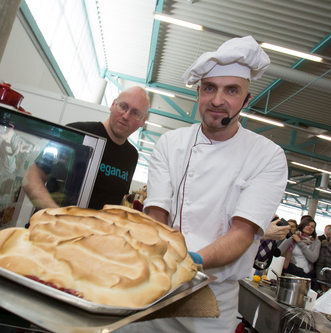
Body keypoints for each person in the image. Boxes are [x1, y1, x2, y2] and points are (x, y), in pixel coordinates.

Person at [119, 36, 288, 333]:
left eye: (231, 90)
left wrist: (192, 261)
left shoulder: (267, 156)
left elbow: (242, 232)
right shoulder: (171, 143)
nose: (218, 100)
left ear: (247, 100)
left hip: (212, 303)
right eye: (210, 88)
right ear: (198, 92)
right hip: (155, 286)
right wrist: (166, 262)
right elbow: (157, 213)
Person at [23, 86, 150, 210]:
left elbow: (116, 200)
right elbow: (32, 177)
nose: (126, 116)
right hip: (52, 227)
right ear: (112, 104)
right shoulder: (76, 133)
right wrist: (56, 214)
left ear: (142, 121)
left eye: (135, 113)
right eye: (123, 106)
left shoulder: (131, 155)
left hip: (94, 231)